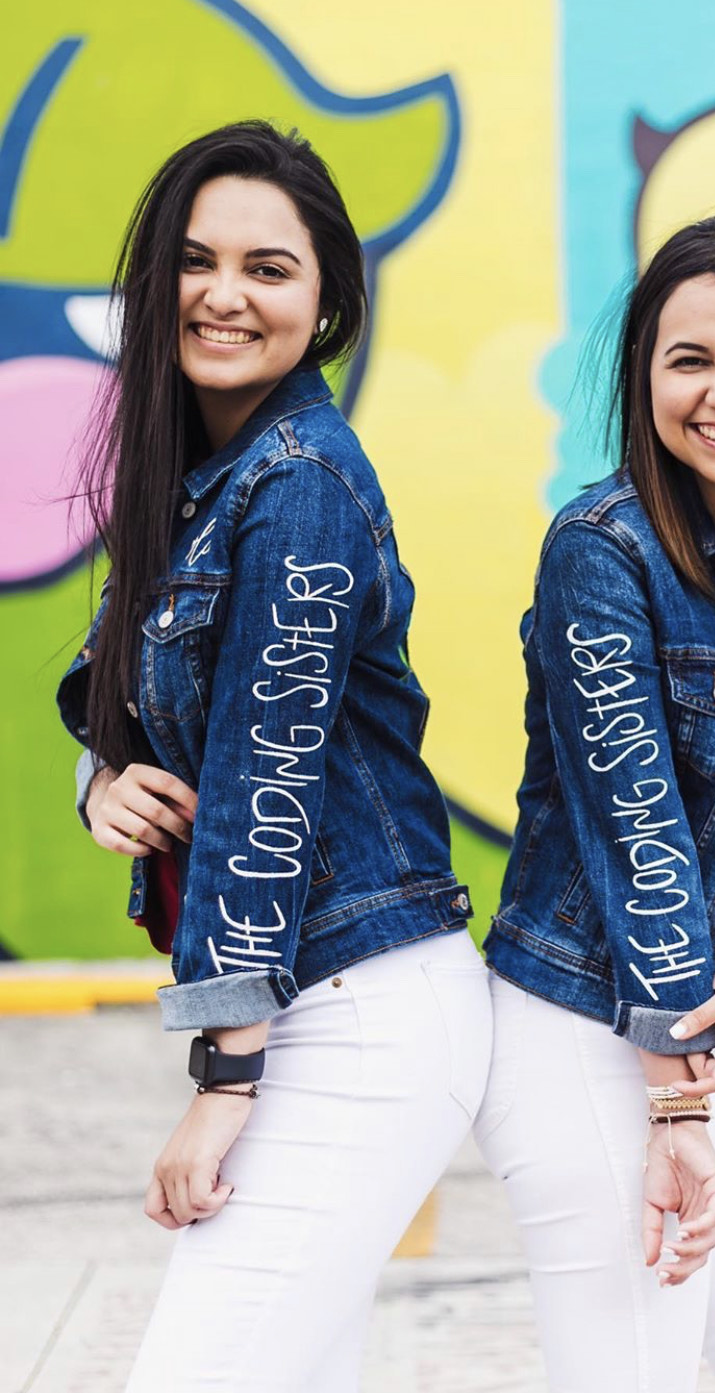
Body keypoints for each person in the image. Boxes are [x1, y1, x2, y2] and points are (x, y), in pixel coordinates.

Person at [57, 121, 491, 1393]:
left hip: (359, 1007)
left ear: (327, 300)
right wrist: (101, 782)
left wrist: (225, 1075)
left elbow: (265, 783)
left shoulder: (298, 484)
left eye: (269, 267)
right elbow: (109, 690)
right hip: (315, 1002)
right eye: (197, 261)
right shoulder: (193, 477)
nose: (225, 295)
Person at [475, 209, 715, 1390]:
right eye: (689, 359)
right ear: (643, 373)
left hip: (693, 1024)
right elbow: (638, 834)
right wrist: (679, 1115)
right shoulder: (600, 551)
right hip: (578, 1021)